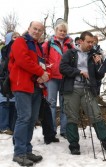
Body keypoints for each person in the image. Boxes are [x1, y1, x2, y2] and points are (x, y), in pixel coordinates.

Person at [60, 31, 106, 155]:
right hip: (71, 89)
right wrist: (78, 72)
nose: (91, 44)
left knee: (96, 115)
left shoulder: (94, 55)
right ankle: (74, 145)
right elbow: (62, 68)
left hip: (88, 88)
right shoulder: (70, 53)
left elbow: (99, 75)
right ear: (80, 41)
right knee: (72, 117)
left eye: (92, 42)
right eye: (88, 42)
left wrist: (99, 64)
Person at [9, 21, 50, 166]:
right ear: (29, 28)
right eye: (35, 29)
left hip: (36, 87)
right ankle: (19, 153)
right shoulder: (20, 41)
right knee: (24, 118)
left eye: (40, 30)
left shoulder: (38, 46)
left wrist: (45, 74)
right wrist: (41, 72)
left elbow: (42, 64)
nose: (37, 32)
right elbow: (22, 60)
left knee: (32, 120)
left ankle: (26, 150)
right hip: (22, 85)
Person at [42, 21, 74, 140]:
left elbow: (74, 58)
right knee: (51, 103)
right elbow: (41, 57)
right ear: (56, 31)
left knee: (65, 104)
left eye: (64, 31)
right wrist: (46, 70)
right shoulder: (48, 43)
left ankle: (64, 130)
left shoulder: (70, 44)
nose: (62, 33)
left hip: (65, 77)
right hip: (52, 77)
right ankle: (51, 130)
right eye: (60, 30)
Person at [0, 32, 20, 135]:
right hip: (4, 80)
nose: (16, 39)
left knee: (13, 103)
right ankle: (3, 126)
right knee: (4, 103)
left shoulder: (19, 49)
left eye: (18, 37)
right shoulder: (3, 51)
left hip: (15, 79)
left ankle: (12, 127)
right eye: (14, 37)